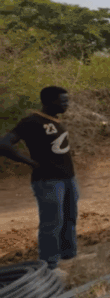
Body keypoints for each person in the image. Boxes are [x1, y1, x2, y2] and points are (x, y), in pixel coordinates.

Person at [0, 87, 77, 276]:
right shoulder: (32, 121)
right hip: (48, 181)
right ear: (49, 101)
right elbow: (4, 144)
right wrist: (29, 162)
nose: (67, 104)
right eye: (63, 101)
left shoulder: (56, 121)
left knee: (69, 218)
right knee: (52, 222)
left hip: (68, 178)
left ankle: (68, 257)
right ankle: (50, 265)